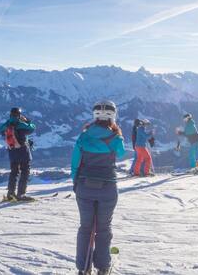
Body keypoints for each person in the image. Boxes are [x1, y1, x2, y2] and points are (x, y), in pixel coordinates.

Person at [71, 100, 126, 274]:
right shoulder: (116, 138)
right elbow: (122, 153)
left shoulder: (83, 136)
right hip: (108, 188)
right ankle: (102, 266)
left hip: (84, 187)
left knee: (85, 227)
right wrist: (117, 135)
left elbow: (74, 164)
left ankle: (83, 268)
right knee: (103, 228)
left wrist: (76, 183)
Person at [0, 107, 36, 201]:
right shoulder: (20, 124)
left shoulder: (7, 125)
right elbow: (32, 128)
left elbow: (1, 130)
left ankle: (10, 194)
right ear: (19, 115)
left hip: (12, 151)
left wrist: (8, 122)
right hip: (23, 150)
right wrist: (27, 120)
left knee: (14, 172)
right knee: (25, 171)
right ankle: (21, 194)